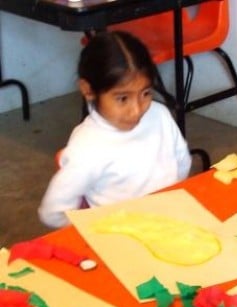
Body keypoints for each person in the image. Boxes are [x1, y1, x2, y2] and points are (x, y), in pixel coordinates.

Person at [38, 31, 191, 228]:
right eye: (122, 98)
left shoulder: (160, 114)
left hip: (173, 222)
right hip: (122, 239)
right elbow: (53, 212)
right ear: (88, 90)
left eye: (145, 93)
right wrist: (94, 233)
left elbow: (183, 164)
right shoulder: (87, 147)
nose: (136, 110)